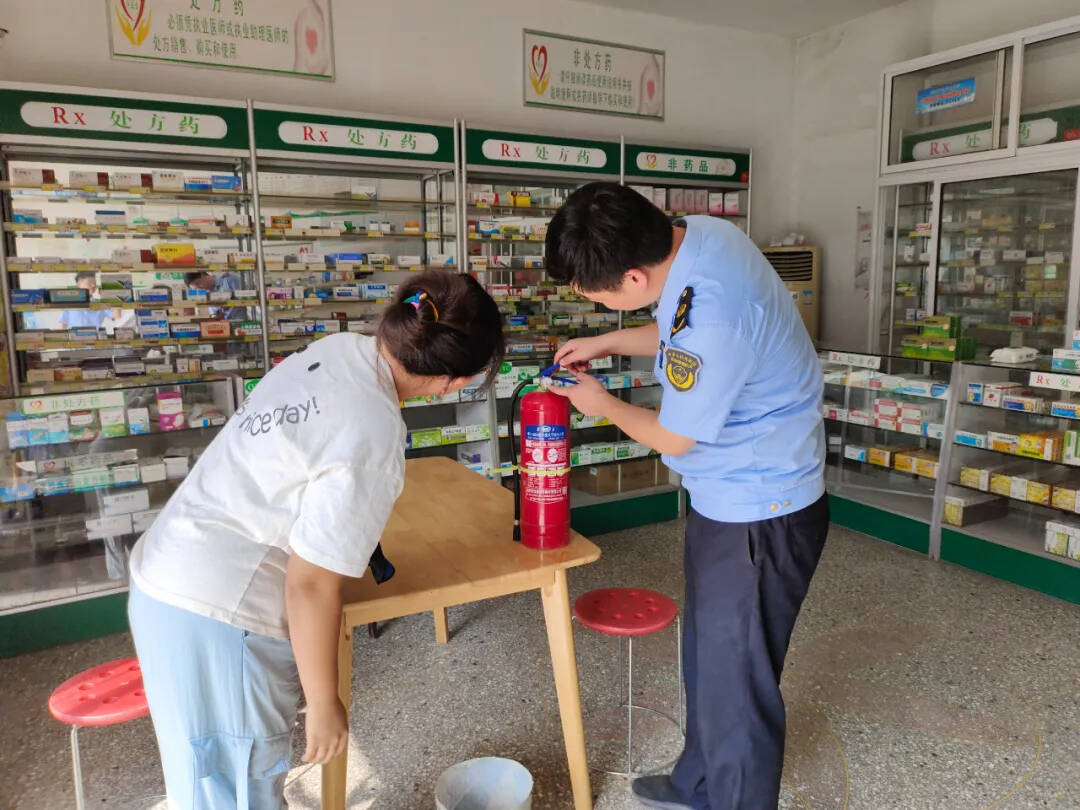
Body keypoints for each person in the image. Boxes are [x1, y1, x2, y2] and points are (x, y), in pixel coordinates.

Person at [127, 271, 504, 809]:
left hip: (168, 576)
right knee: (237, 791)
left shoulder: (342, 348)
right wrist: (324, 704)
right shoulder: (373, 429)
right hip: (221, 613)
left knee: (204, 783)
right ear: (454, 382)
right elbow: (310, 585)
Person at [544, 182, 827, 810]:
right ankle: (697, 784)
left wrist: (601, 403)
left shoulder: (715, 313)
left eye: (599, 296)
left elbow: (675, 437)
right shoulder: (699, 237)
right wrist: (609, 341)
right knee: (708, 660)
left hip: (760, 510)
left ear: (634, 277)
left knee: (737, 685)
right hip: (726, 499)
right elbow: (675, 329)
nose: (597, 303)